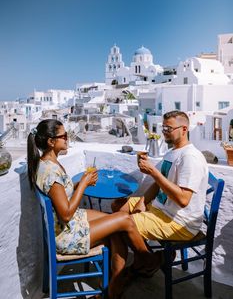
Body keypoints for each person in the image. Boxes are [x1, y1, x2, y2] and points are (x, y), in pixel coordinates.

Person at [27, 119, 161, 299]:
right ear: (51, 142)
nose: (68, 140)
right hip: (66, 234)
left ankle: (116, 283)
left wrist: (78, 183)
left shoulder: (46, 163)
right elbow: (65, 214)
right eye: (64, 136)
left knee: (116, 223)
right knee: (124, 220)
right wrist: (83, 185)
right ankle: (147, 261)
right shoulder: (51, 172)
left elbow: (60, 195)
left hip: (66, 224)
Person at [112, 110, 209, 249]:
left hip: (179, 222)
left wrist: (153, 172)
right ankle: (146, 257)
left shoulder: (190, 158)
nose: (164, 131)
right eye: (163, 127)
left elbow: (183, 200)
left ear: (184, 129)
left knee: (120, 225)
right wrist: (143, 201)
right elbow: (158, 184)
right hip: (161, 207)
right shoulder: (171, 153)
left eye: (168, 128)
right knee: (118, 205)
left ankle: (146, 261)